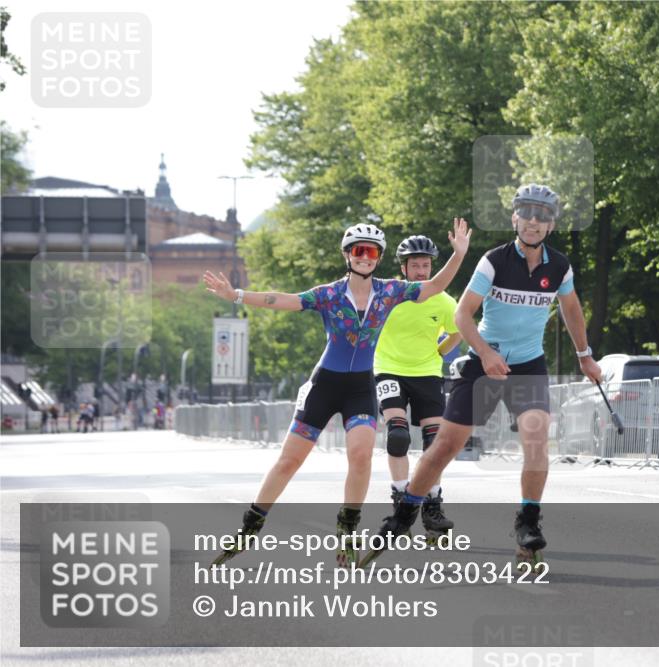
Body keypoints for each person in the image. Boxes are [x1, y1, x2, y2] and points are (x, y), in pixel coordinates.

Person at [203, 218, 470, 566]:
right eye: (358, 251)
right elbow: (282, 300)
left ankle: (348, 527)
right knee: (289, 461)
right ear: (347, 255)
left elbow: (434, 286)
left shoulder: (390, 292)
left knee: (360, 456)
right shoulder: (328, 295)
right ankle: (250, 526)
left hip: (360, 388)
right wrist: (236, 295)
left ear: (379, 257)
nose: (365, 257)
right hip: (324, 386)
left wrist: (458, 254)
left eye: (371, 252)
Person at [372, 184, 602, 567]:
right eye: (526, 214)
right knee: (445, 445)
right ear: (514, 218)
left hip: (528, 364)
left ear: (550, 224)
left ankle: (528, 521)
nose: (533, 222)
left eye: (541, 216)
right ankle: (405, 511)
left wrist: (585, 356)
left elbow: (571, 307)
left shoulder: (559, 266)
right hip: (483, 362)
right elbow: (462, 315)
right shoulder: (494, 261)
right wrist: (485, 352)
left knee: (536, 439)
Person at [373, 235, 463, 539]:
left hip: (427, 374)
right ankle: (401, 498)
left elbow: (457, 332)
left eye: (426, 265)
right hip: (388, 370)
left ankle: (432, 506)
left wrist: (439, 351)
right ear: (404, 268)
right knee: (398, 435)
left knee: (435, 443)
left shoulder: (444, 301)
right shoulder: (390, 295)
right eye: (415, 266)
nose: (421, 271)